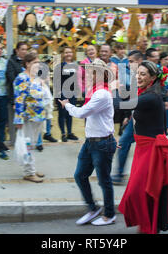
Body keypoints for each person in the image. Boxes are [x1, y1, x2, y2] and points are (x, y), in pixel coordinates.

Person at [118, 61, 168, 234]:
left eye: (143, 74)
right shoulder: (148, 93)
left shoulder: (151, 96)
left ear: (152, 77)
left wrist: (104, 93)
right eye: (138, 73)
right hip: (143, 148)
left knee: (139, 192)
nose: (139, 77)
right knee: (143, 192)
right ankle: (147, 227)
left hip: (151, 150)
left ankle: (149, 227)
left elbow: (121, 105)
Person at [58, 59, 117, 226]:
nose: (87, 75)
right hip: (91, 142)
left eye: (91, 72)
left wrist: (67, 105)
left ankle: (109, 215)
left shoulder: (102, 94)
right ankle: (93, 209)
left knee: (104, 181)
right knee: (80, 175)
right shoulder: (94, 92)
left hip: (102, 144)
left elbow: (82, 113)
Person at [111, 50, 143, 185]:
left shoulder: (145, 75)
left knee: (126, 144)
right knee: (125, 144)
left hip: (143, 117)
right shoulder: (133, 75)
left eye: (131, 61)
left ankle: (121, 174)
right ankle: (120, 173)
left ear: (139, 61)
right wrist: (127, 115)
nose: (128, 64)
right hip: (135, 116)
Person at [13, 51, 46, 183]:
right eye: (34, 63)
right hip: (28, 117)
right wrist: (19, 119)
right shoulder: (21, 78)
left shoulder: (36, 77)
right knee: (27, 145)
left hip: (38, 116)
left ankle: (31, 167)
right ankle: (29, 172)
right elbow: (19, 100)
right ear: (27, 64)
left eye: (38, 62)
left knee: (31, 144)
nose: (37, 65)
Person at [6, 41, 29, 147]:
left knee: (27, 121)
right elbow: (12, 78)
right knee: (18, 121)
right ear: (17, 50)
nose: (25, 51)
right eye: (22, 49)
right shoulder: (11, 62)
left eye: (26, 49)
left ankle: (26, 141)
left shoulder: (28, 62)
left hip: (28, 97)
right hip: (17, 97)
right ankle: (17, 142)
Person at [55, 46, 79, 142]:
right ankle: (63, 133)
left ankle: (69, 132)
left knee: (70, 113)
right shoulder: (59, 66)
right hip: (63, 93)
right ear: (63, 54)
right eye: (66, 52)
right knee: (62, 113)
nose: (68, 54)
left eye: (70, 52)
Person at [159, 52, 168, 130]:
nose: (167, 61)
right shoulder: (158, 70)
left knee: (167, 114)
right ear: (160, 60)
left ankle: (166, 132)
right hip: (160, 95)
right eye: (165, 59)